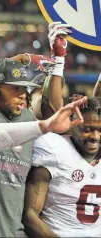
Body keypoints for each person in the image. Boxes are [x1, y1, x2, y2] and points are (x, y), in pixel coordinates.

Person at [0, 58, 88, 237]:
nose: (22, 94)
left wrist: (59, 60)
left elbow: (49, 110)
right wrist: (43, 126)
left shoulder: (27, 119)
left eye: (24, 88)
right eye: (15, 88)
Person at [23, 97, 101, 237]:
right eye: (87, 129)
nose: (95, 136)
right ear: (73, 125)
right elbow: (29, 216)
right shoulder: (53, 148)